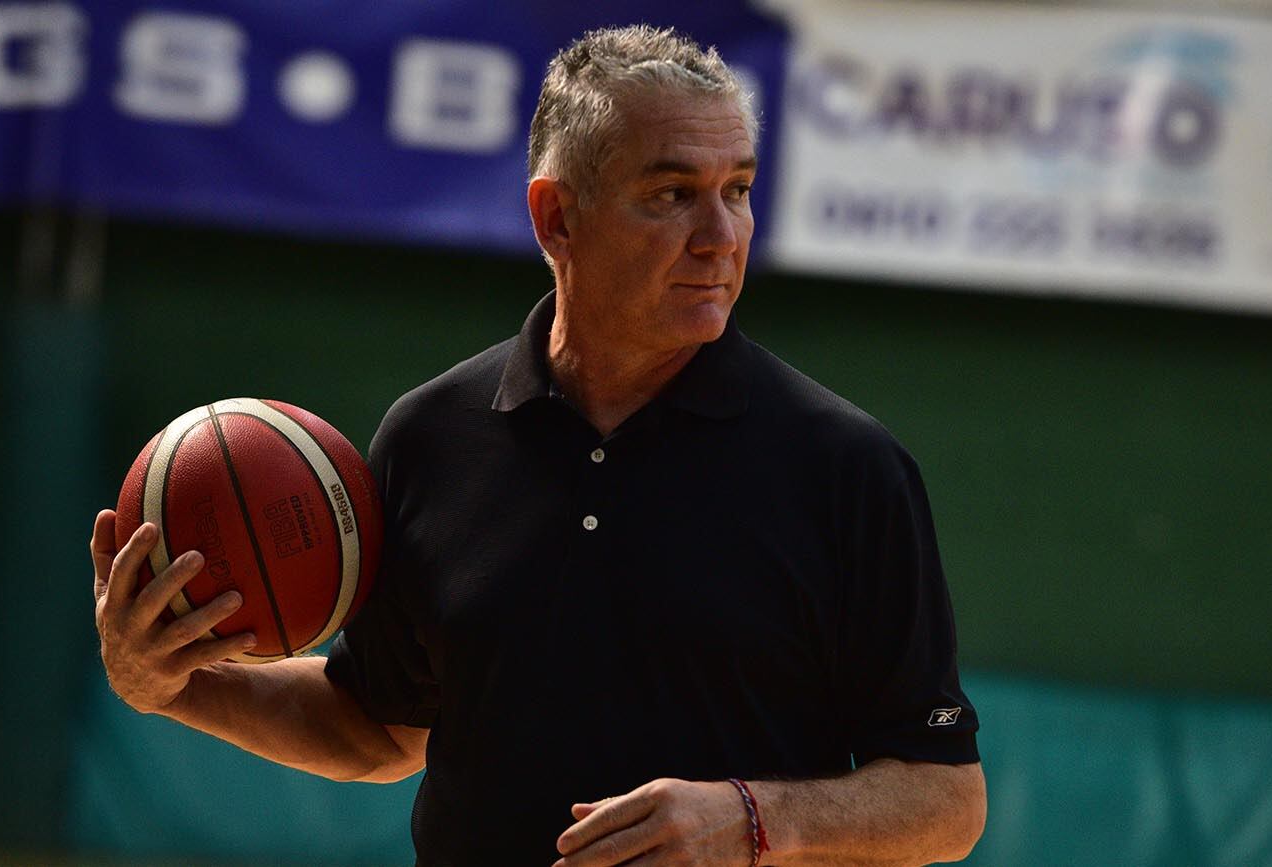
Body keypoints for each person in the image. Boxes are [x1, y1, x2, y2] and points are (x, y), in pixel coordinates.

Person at [92, 25, 986, 866]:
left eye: (739, 190)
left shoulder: (846, 468)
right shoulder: (431, 438)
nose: (722, 237)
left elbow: (948, 797)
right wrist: (169, 684)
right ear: (556, 218)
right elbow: (376, 729)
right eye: (673, 194)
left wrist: (751, 822)